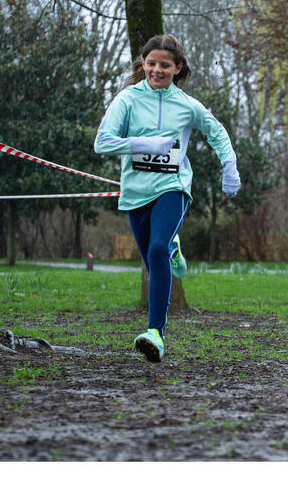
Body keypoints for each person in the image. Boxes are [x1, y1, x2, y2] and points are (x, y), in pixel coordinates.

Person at [94, 34, 240, 362]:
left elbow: (216, 132)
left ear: (178, 68)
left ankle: (155, 333)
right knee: (152, 261)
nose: (157, 69)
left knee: (157, 250)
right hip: (135, 192)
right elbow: (102, 142)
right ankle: (172, 246)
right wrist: (145, 144)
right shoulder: (128, 100)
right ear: (142, 64)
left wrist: (229, 167)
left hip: (173, 188)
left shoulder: (187, 106)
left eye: (165, 64)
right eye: (151, 63)